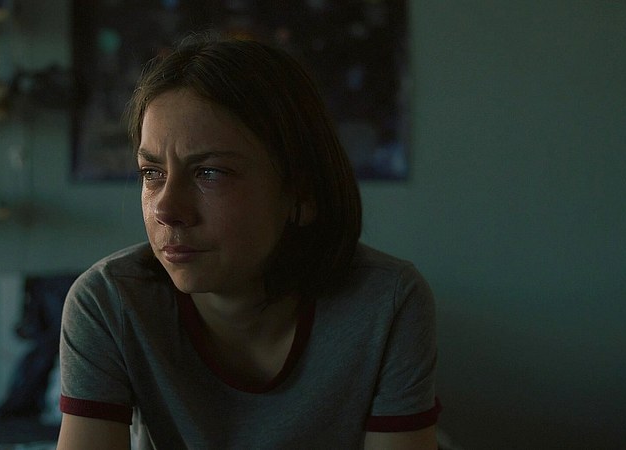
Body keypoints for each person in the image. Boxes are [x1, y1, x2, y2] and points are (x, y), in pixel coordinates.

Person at [57, 34, 440, 450]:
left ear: (301, 193)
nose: (166, 209)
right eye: (152, 173)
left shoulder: (386, 304)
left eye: (210, 173)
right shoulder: (109, 301)